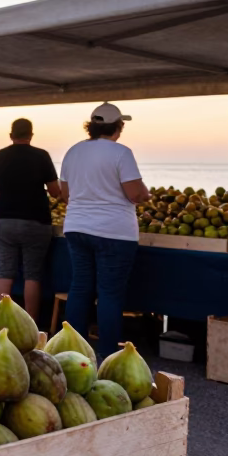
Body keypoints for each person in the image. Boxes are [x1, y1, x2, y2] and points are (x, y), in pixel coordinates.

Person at [60, 103, 149, 360]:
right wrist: (146, 194)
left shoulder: (73, 151)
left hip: (77, 227)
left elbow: (66, 194)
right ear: (118, 127)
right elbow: (135, 193)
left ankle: (72, 351)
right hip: (114, 232)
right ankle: (108, 354)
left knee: (80, 287)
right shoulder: (121, 153)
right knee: (109, 293)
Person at [0, 118, 63, 326]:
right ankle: (31, 325)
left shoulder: (0, 156)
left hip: (5, 221)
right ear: (31, 135)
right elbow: (56, 192)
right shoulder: (42, 156)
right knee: (33, 274)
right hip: (36, 221)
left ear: (11, 135)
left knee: (4, 272)